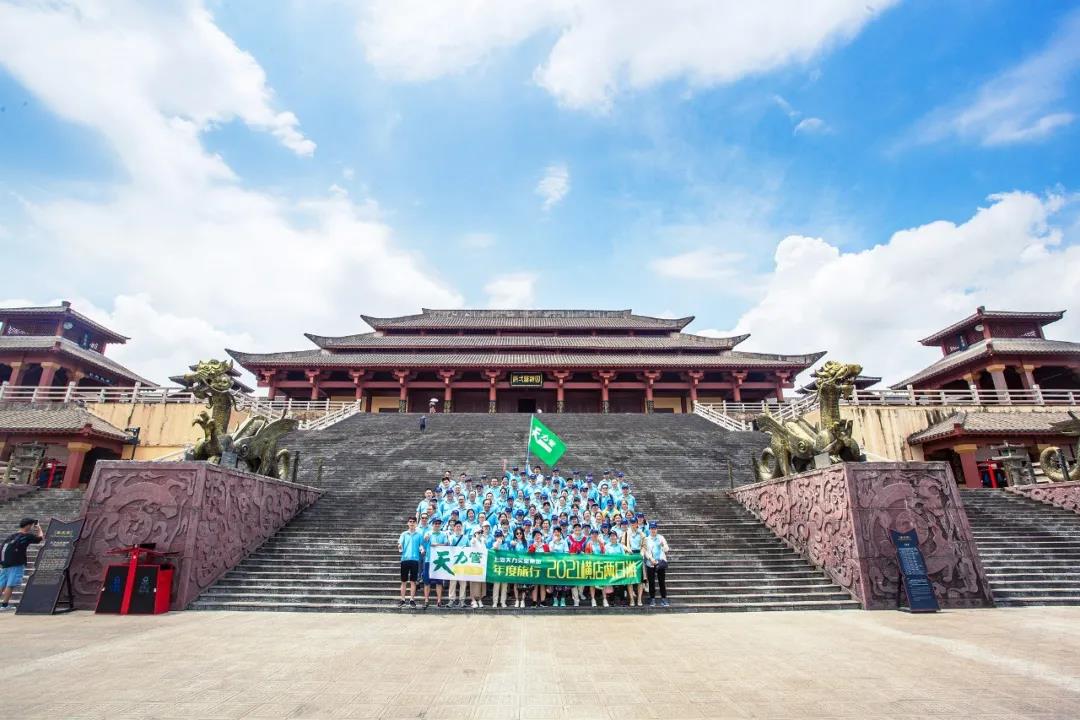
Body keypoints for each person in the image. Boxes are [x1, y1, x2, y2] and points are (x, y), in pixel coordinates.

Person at [0, 518, 43, 611]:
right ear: (27, 525)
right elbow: (40, 538)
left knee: (2, 583)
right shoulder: (26, 536)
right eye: (31, 525)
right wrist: (39, 528)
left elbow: (2, 548)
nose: (32, 527)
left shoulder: (11, 536)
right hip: (16, 563)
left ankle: (3, 604)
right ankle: (4, 605)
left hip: (5, 563)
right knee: (10, 584)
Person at [397, 517, 424, 609]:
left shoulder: (419, 535)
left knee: (413, 581)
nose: (412, 523)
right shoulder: (404, 534)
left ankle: (412, 599)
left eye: (413, 522)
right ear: (408, 523)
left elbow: (421, 545)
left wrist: (422, 549)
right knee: (403, 581)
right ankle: (403, 599)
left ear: (416, 524)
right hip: (405, 559)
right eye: (410, 522)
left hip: (415, 560)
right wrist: (400, 546)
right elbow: (400, 543)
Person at [422, 517, 448, 608]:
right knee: (426, 581)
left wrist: (436, 545)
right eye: (435, 523)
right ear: (432, 524)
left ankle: (439, 600)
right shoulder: (428, 533)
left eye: (438, 523)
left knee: (439, 582)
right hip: (429, 559)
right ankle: (426, 600)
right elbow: (424, 541)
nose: (437, 525)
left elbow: (446, 544)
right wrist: (426, 538)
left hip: (439, 561)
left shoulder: (443, 534)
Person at [643, 521, 670, 607]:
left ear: (657, 529)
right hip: (650, 562)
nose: (653, 530)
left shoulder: (661, 538)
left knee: (662, 581)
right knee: (651, 582)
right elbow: (646, 551)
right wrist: (651, 559)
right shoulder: (646, 539)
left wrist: (663, 545)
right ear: (649, 529)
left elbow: (666, 549)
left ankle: (664, 598)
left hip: (660, 562)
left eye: (654, 528)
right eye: (651, 529)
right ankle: (652, 599)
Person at [447, 520, 470, 609]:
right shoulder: (451, 537)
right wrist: (450, 540)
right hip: (453, 563)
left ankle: (462, 600)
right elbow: (449, 546)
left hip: (463, 563)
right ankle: (452, 600)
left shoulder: (465, 538)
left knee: (463, 582)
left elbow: (469, 549)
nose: (458, 528)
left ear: (462, 528)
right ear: (454, 528)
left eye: (460, 526)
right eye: (457, 526)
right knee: (452, 582)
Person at [527, 529, 550, 607]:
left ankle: (543, 601)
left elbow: (548, 556)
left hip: (543, 567)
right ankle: (534, 601)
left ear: (541, 536)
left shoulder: (545, 546)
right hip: (534, 567)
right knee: (535, 585)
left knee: (542, 584)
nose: (537, 537)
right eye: (536, 536)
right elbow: (529, 554)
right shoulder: (531, 545)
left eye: (539, 535)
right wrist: (534, 546)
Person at [469, 526, 487, 609]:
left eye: (481, 532)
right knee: (473, 582)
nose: (480, 534)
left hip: (482, 565)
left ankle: (479, 599)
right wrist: (474, 539)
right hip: (474, 564)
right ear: (475, 533)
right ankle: (473, 600)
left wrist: (483, 540)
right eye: (478, 532)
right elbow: (472, 544)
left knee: (481, 582)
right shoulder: (473, 540)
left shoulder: (483, 540)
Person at [490, 530, 509, 608]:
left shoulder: (506, 544)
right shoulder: (494, 543)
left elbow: (508, 553)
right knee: (496, 585)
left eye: (500, 536)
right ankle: (495, 602)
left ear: (502, 536)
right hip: (497, 567)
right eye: (497, 536)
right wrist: (498, 543)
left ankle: (503, 601)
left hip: (505, 567)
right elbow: (493, 549)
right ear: (495, 537)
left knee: (504, 586)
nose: (499, 537)